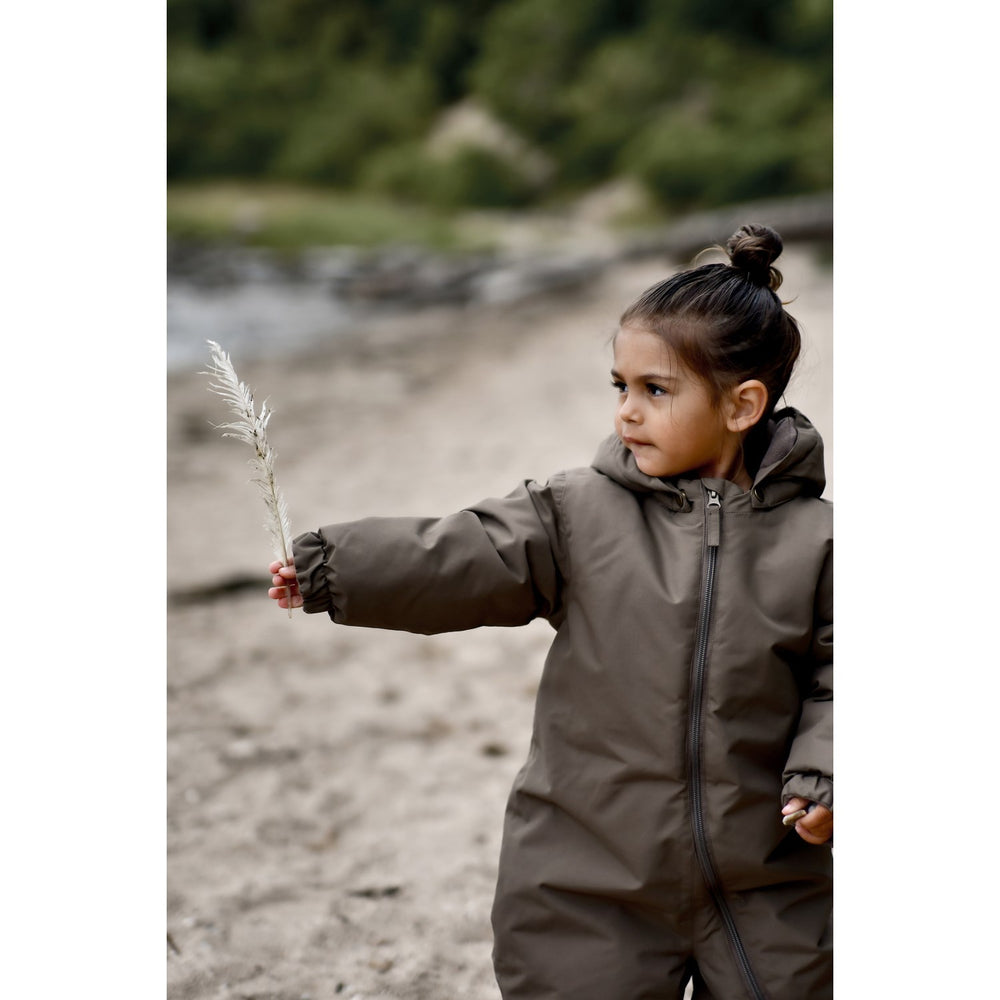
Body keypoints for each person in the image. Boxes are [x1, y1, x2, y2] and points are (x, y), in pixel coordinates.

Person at [268, 223, 833, 1000]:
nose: (626, 413)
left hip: (764, 878)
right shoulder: (576, 512)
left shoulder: (816, 541)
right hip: (589, 870)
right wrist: (335, 569)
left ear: (742, 405)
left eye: (655, 391)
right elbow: (459, 554)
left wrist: (826, 775)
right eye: (620, 387)